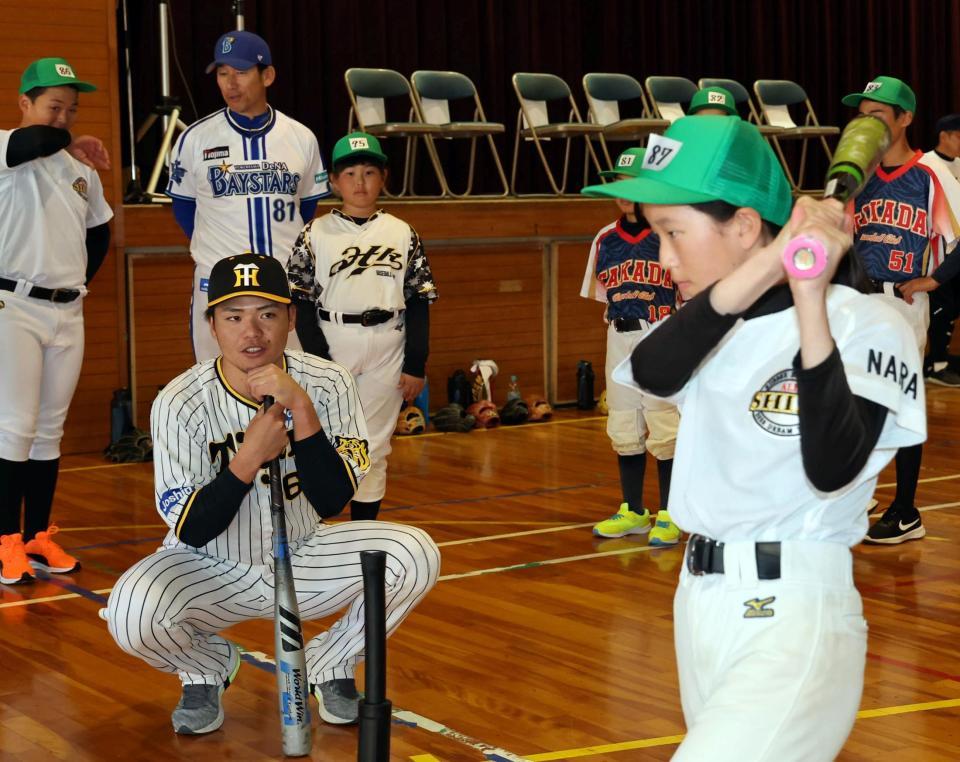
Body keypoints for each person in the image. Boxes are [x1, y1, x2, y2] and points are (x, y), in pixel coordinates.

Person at [584, 116, 925, 761]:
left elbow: (831, 467)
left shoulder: (869, 324)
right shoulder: (710, 330)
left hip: (793, 613)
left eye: (673, 232)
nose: (663, 258)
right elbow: (654, 370)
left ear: (742, 223)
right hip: (699, 604)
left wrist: (809, 299)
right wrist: (776, 255)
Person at [102, 253, 440, 734]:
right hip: (210, 564)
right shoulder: (179, 401)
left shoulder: (328, 381)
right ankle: (206, 667)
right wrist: (248, 457)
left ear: (291, 319)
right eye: (234, 316)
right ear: (213, 326)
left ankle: (331, 663)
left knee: (414, 555)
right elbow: (194, 527)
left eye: (267, 314)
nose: (252, 332)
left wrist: (301, 408)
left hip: (304, 553)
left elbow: (332, 501)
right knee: (132, 613)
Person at [0, 57, 113, 585]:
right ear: (24, 104)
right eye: (53, 107)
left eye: (71, 109)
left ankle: (37, 535)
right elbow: (29, 145)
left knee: (49, 433)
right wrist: (67, 139)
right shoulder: (6, 147)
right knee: (14, 429)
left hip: (67, 310)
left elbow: (100, 230)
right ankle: (4, 542)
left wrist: (73, 280)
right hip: (13, 308)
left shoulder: (80, 169)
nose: (63, 117)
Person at [287, 132, 437, 521]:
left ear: (383, 177)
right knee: (327, 438)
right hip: (332, 338)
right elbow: (299, 301)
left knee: (374, 443)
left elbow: (419, 299)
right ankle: (315, 525)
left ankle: (362, 531)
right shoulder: (315, 232)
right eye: (349, 173)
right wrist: (319, 360)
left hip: (388, 341)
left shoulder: (402, 232)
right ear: (333, 182)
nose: (359, 182)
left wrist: (416, 363)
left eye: (369, 172)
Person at [841, 76, 960, 542]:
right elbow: (840, 240)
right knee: (850, 402)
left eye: (878, 115)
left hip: (902, 301)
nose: (867, 123)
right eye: (862, 115)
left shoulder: (929, 174)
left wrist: (934, 278)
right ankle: (858, 491)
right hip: (858, 299)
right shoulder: (858, 173)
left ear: (905, 118)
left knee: (898, 402)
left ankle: (906, 509)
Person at [166, 30, 330, 362]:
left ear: (267, 75)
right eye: (223, 74)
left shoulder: (301, 137)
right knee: (217, 386)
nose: (230, 83)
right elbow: (184, 208)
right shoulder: (195, 138)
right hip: (217, 282)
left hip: (282, 282)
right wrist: (219, 252)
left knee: (288, 385)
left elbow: (307, 207)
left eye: (240, 73)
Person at [581, 147, 680, 545]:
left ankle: (671, 513)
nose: (624, 193)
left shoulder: (671, 233)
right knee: (624, 422)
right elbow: (604, 296)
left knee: (664, 425)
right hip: (620, 335)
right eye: (618, 185)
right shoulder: (605, 239)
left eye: (632, 184)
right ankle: (634, 510)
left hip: (662, 332)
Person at [922, 114, 960, 385]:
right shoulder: (926, 164)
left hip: (957, 248)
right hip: (936, 247)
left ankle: (941, 357)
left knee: (951, 305)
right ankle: (935, 363)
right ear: (944, 135)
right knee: (942, 305)